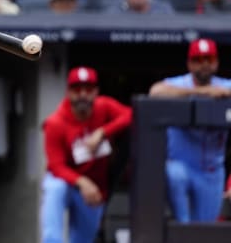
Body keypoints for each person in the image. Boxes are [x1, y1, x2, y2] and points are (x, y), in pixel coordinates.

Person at [41, 66, 132, 243]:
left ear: (96, 92)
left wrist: (103, 132)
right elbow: (55, 165)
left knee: (84, 239)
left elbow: (132, 114)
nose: (83, 94)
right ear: (68, 92)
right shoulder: (55, 122)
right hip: (69, 183)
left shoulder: (103, 106)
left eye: (88, 89)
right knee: (54, 186)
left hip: (94, 189)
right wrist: (82, 182)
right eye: (77, 89)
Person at [148, 38, 231, 222]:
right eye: (198, 60)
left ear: (216, 63)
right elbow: (155, 92)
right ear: (189, 63)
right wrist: (201, 93)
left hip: (211, 172)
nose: (204, 65)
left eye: (208, 60)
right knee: (173, 174)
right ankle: (182, 224)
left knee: (205, 230)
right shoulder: (179, 84)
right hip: (182, 166)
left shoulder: (224, 86)